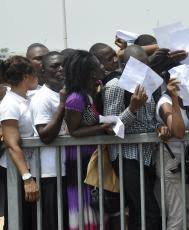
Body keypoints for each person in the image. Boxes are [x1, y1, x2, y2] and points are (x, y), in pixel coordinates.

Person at [103, 44, 161, 230]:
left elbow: (151, 119)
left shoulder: (148, 84)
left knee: (139, 212)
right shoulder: (114, 86)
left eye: (146, 64)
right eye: (139, 65)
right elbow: (111, 129)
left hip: (147, 155)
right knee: (149, 211)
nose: (145, 68)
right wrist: (133, 108)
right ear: (125, 65)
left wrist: (161, 127)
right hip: (126, 157)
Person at [64, 50, 114, 230]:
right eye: (97, 64)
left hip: (90, 159)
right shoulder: (75, 98)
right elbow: (74, 130)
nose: (102, 67)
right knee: (85, 210)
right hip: (79, 161)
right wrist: (103, 128)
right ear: (90, 71)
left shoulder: (88, 95)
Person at [156, 69, 189, 230]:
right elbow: (178, 131)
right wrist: (175, 99)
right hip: (171, 164)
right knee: (177, 216)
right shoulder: (165, 103)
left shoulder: (188, 101)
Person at [29, 51, 68, 230]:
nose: (60, 69)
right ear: (43, 71)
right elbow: (45, 135)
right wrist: (61, 106)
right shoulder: (41, 99)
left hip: (66, 170)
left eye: (62, 65)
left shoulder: (63, 92)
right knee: (52, 223)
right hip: (48, 173)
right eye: (54, 66)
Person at [0, 56, 39, 230]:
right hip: (16, 171)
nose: (37, 76)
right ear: (25, 77)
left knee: (31, 220)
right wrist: (27, 178)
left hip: (31, 167)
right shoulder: (9, 104)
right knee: (18, 220)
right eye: (34, 73)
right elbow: (11, 144)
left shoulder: (28, 97)